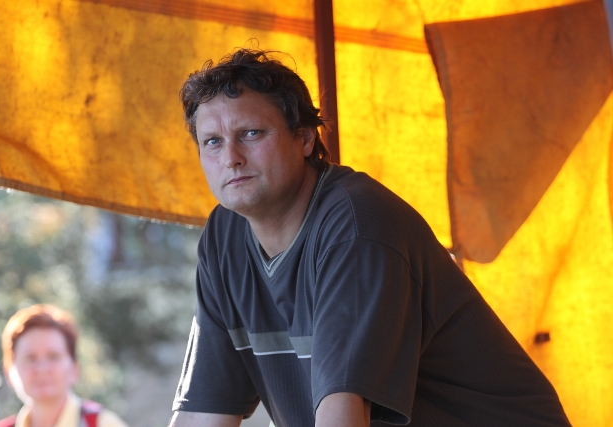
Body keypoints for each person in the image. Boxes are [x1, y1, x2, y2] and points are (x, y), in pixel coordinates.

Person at [169, 48, 572, 427]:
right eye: (212, 142)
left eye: (252, 133)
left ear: (305, 138)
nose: (231, 158)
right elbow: (202, 416)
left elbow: (343, 416)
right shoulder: (223, 239)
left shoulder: (357, 226)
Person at [0, 304, 128, 427]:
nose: (42, 369)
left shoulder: (104, 424)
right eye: (30, 359)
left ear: (74, 368)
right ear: (8, 372)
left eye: (53, 357)